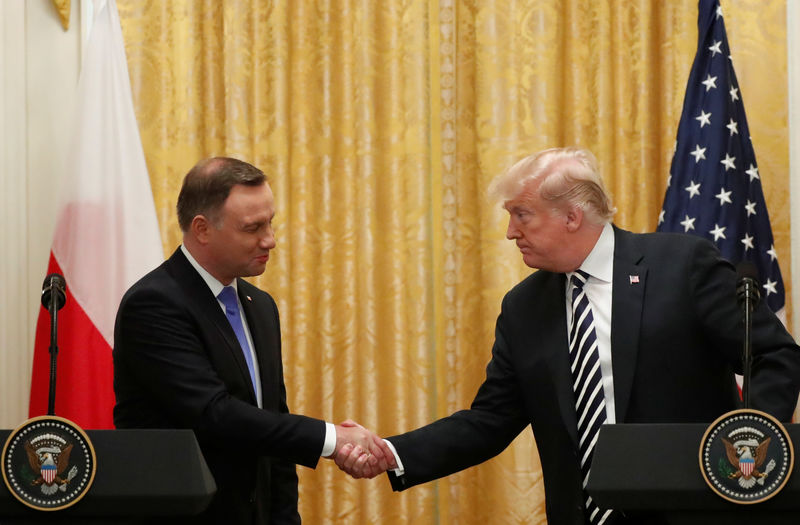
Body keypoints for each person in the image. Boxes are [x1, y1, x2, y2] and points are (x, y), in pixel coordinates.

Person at [334, 147, 800, 524]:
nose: (510, 232)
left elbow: (774, 355)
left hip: (692, 510)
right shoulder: (524, 308)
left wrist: (748, 447)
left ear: (572, 217)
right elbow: (490, 420)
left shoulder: (681, 266)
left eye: (522, 215)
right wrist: (392, 452)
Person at [113, 157, 393, 524]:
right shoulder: (154, 304)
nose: (271, 240)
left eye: (271, 222)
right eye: (253, 227)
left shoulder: (259, 306)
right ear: (202, 229)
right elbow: (215, 413)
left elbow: (272, 426)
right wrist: (332, 439)